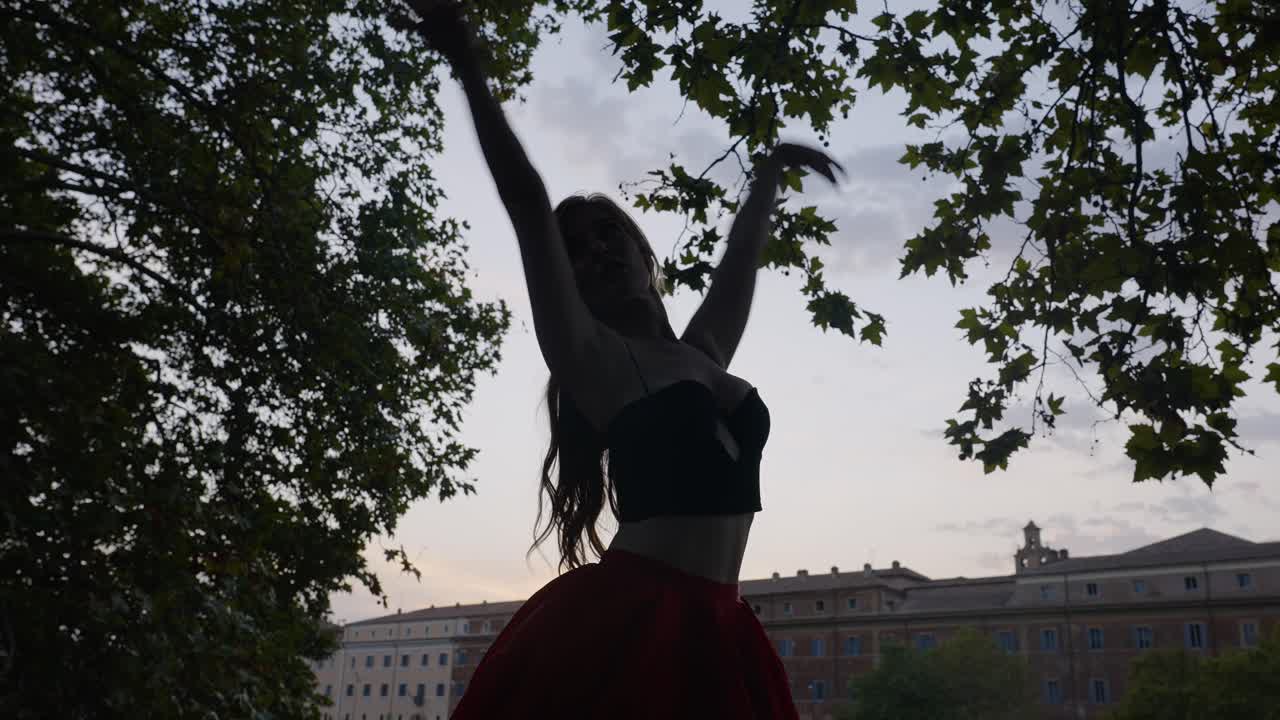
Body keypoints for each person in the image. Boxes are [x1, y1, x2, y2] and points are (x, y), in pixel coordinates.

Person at [398, 1, 845, 717]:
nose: (595, 251)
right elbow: (524, 198)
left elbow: (741, 259)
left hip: (722, 624)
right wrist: (467, 64)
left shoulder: (703, 354)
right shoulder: (589, 357)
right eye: (575, 248)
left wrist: (768, 175)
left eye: (609, 235)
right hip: (631, 619)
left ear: (646, 256)